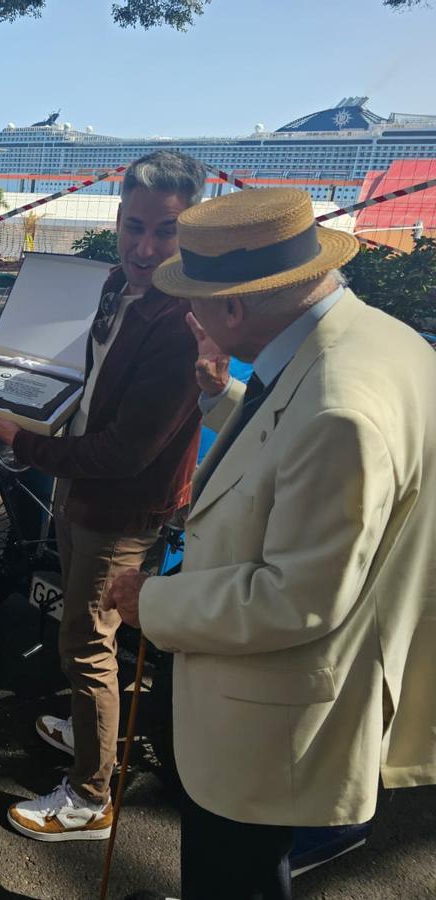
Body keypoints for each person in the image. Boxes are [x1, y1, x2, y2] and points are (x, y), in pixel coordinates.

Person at [104, 187, 436, 899]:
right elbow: (290, 469)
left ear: (234, 307)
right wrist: (224, 399)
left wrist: (152, 601)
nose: (184, 310)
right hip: (285, 702)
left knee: (237, 876)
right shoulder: (374, 341)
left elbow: (297, 598)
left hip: (270, 716)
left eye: (192, 296)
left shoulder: (339, 407)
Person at [0, 150, 207, 841]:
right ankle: (91, 732)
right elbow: (73, 372)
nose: (145, 247)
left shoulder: (180, 326)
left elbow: (121, 454)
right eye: (135, 225)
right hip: (80, 490)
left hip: (122, 506)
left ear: (188, 232)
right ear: (117, 219)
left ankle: (89, 798)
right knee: (82, 636)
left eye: (165, 233)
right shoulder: (116, 285)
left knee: (87, 644)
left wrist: (18, 438)